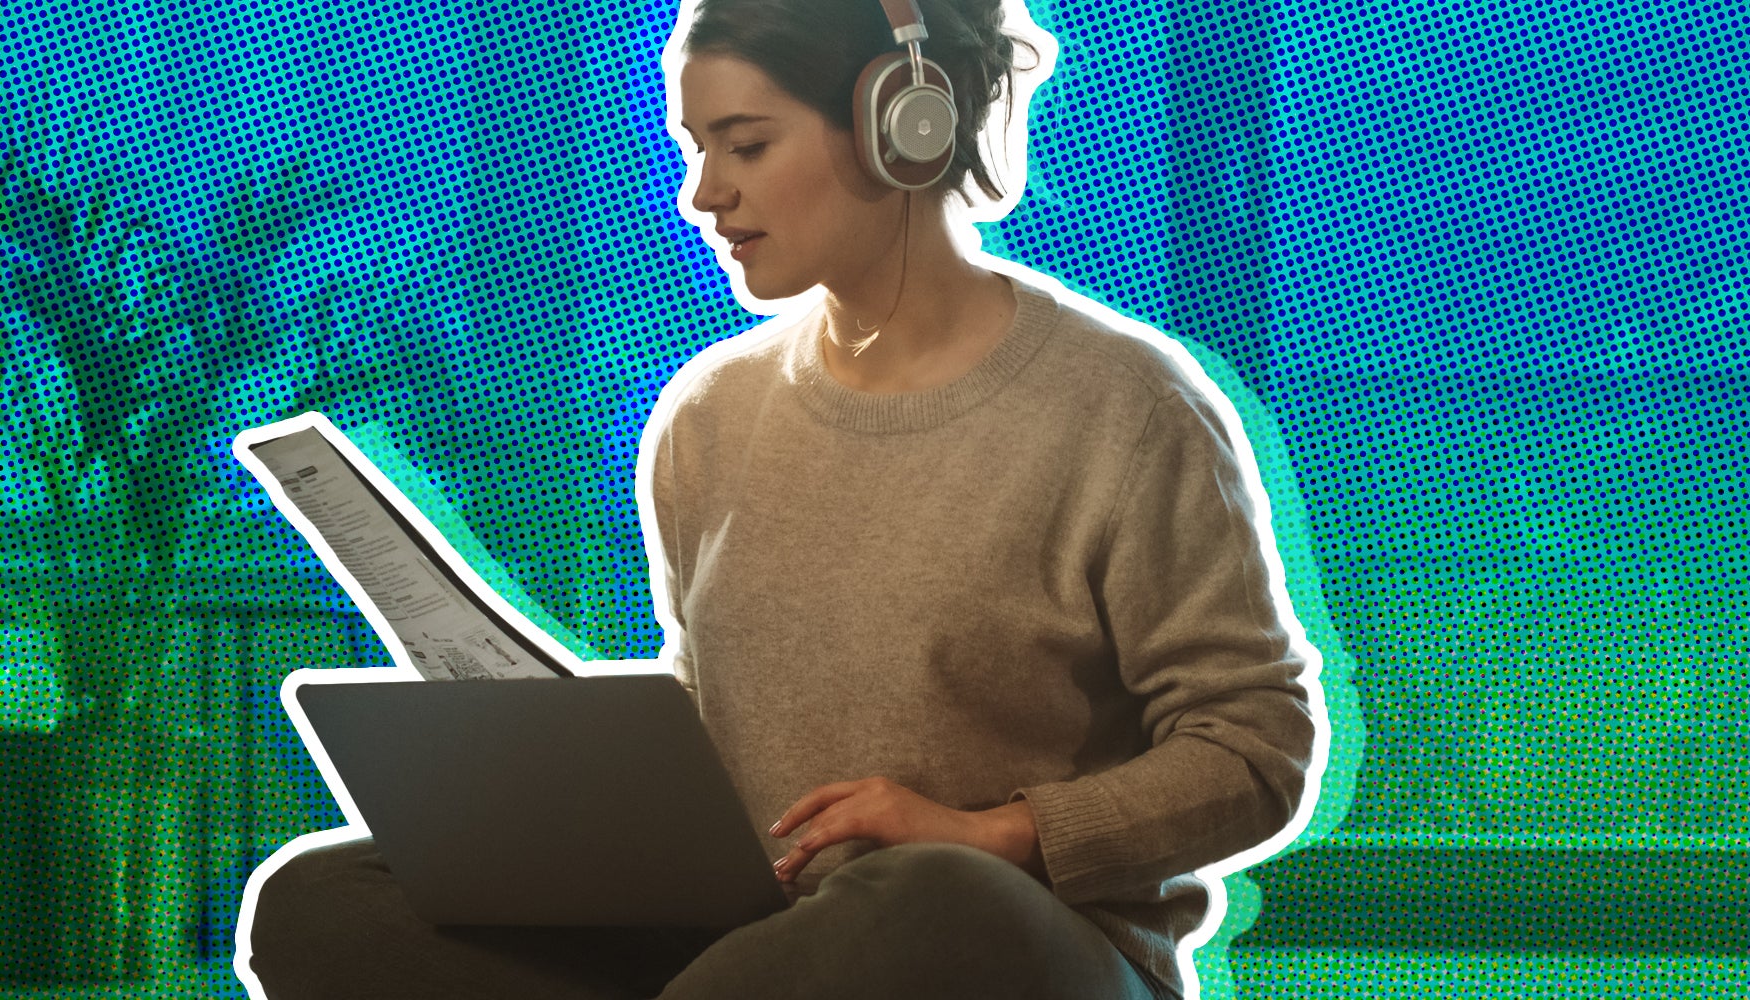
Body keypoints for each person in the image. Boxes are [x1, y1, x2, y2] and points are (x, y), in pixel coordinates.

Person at [241, 1, 1322, 997]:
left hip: (1003, 942)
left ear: (901, 127)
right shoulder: (708, 413)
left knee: (922, 901)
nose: (703, 193)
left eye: (746, 145)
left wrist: (987, 832)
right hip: (748, 946)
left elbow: (1253, 749)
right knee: (323, 901)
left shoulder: (1124, 406)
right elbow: (718, 727)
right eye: (695, 148)